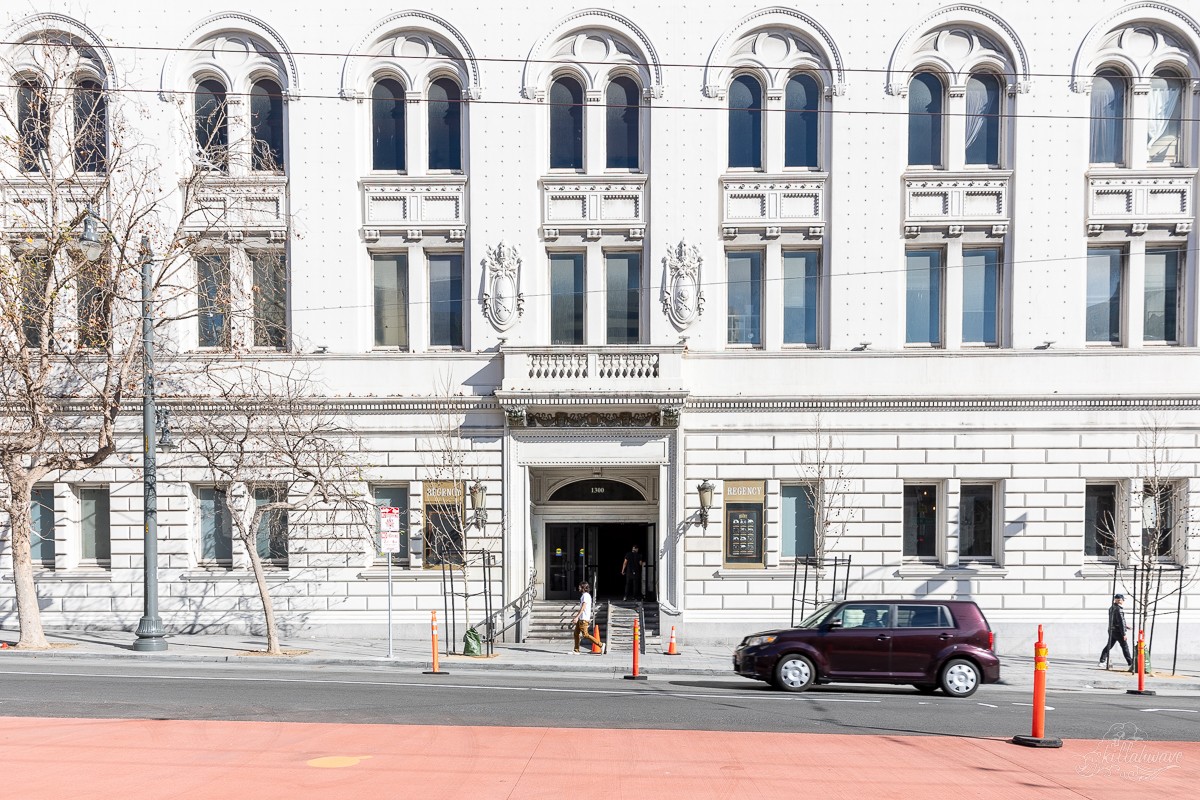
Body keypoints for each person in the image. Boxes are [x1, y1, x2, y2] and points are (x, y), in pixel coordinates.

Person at [1099, 593, 1133, 668]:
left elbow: (1115, 620)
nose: (1122, 601)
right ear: (1120, 600)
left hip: (1112, 630)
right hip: (1118, 631)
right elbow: (1120, 621)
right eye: (1121, 600)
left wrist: (1126, 626)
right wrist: (1124, 634)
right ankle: (1130, 662)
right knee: (1125, 647)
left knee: (1109, 646)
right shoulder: (1119, 609)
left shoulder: (1112, 607)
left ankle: (1102, 661)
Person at [571, 581, 605, 654]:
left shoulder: (585, 596)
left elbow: (583, 607)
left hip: (583, 618)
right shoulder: (585, 595)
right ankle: (576, 650)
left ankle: (601, 645)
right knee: (576, 633)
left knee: (585, 635)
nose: (578, 588)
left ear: (583, 587)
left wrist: (577, 617)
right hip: (581, 618)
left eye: (580, 586)